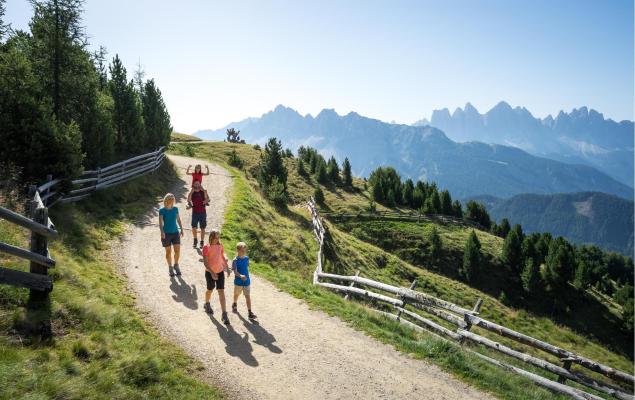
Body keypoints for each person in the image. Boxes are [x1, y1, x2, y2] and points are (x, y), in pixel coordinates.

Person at [202, 229, 231, 324]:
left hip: (220, 271)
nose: (218, 240)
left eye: (219, 237)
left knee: (221, 291)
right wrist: (212, 272)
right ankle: (207, 303)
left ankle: (224, 314)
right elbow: (205, 263)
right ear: (211, 237)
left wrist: (227, 267)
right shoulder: (206, 247)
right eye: (216, 238)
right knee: (210, 290)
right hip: (210, 273)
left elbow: (222, 256)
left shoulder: (220, 245)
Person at [159, 193, 184, 276]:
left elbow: (178, 220)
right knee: (168, 252)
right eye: (170, 199)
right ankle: (170, 267)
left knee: (177, 251)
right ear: (166, 200)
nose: (172, 200)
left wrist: (181, 229)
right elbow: (160, 223)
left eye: (173, 199)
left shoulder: (175, 209)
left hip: (175, 232)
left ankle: (176, 265)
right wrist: (162, 232)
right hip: (166, 234)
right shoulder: (162, 211)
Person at [231, 242, 256, 320]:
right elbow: (235, 271)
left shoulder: (247, 258)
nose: (244, 252)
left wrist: (245, 274)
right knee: (236, 294)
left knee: (247, 296)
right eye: (242, 251)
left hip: (247, 281)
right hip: (238, 282)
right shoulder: (235, 260)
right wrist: (240, 275)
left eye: (245, 251)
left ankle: (249, 312)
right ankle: (234, 303)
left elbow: (247, 266)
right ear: (238, 250)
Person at [187, 181, 210, 248]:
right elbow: (188, 200)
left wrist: (206, 199)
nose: (197, 185)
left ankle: (202, 242)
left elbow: (208, 199)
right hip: (195, 212)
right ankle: (195, 240)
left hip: (202, 212)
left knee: (202, 228)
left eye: (198, 184)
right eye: (195, 184)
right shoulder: (192, 192)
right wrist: (191, 192)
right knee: (193, 227)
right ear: (193, 185)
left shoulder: (203, 192)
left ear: (200, 185)